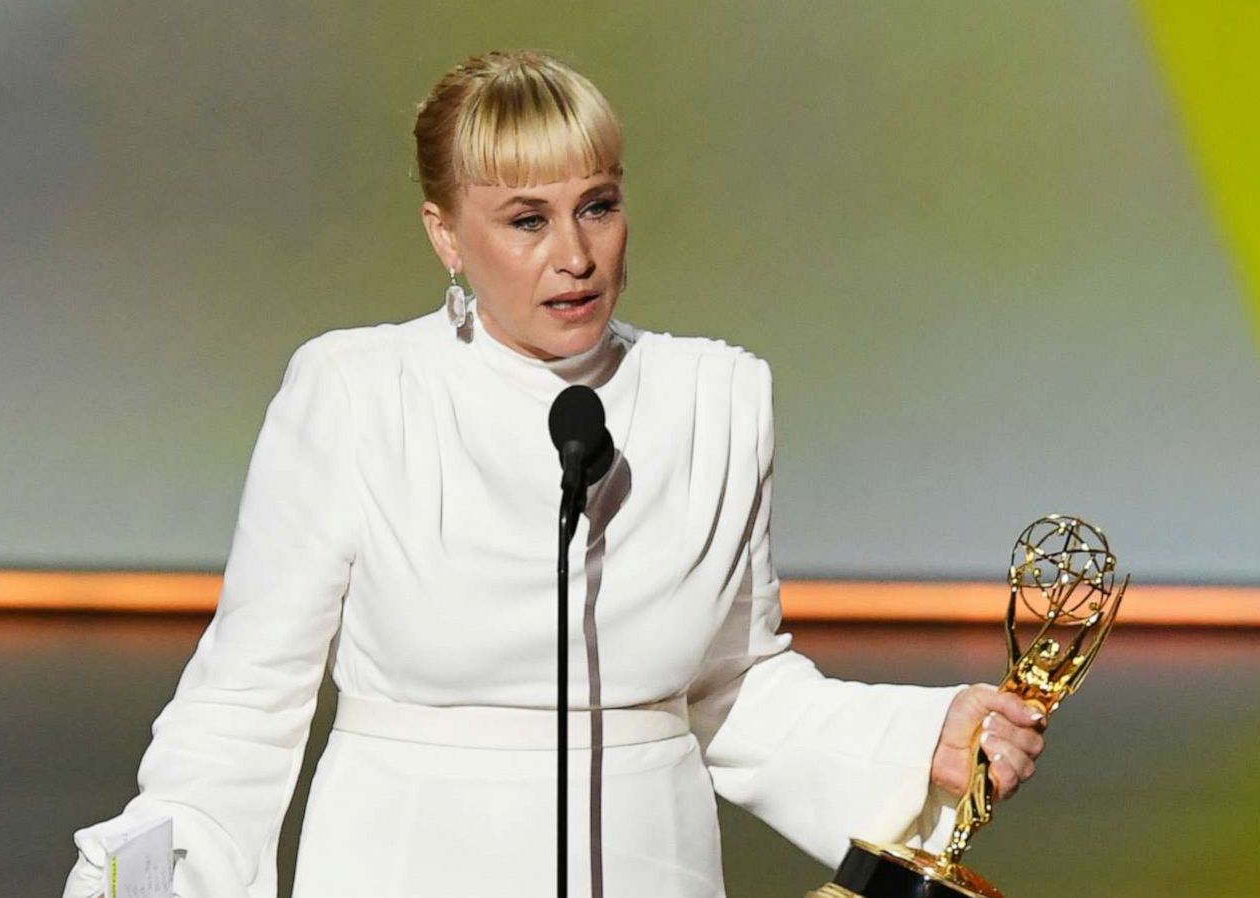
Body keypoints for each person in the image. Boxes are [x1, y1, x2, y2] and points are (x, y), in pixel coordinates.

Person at [61, 49, 1046, 898]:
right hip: (402, 858)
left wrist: (919, 736)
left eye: (597, 207)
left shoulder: (715, 399)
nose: (573, 255)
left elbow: (730, 688)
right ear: (445, 235)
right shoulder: (360, 393)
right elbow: (248, 691)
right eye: (525, 220)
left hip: (646, 860)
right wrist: (167, 863)